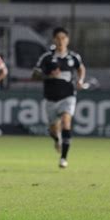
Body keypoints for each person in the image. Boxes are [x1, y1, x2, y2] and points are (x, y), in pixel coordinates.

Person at [32, 27, 86, 168]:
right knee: (53, 129)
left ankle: (63, 158)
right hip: (51, 98)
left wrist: (80, 80)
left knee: (66, 122)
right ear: (54, 40)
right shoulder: (47, 57)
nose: (61, 41)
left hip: (68, 96)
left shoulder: (73, 57)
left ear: (67, 40)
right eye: (58, 38)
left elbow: (81, 68)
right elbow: (35, 74)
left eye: (64, 38)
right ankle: (57, 139)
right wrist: (49, 75)